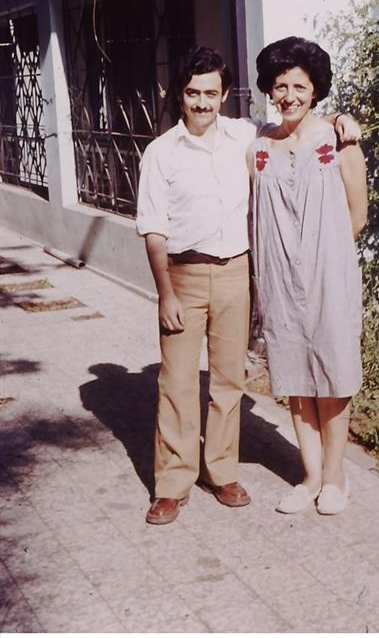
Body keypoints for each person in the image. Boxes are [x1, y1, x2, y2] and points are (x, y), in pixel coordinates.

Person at [136, 45, 361, 525]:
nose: (202, 102)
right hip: (185, 274)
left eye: (210, 93)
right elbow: (153, 229)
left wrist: (342, 118)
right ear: (180, 95)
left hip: (238, 272)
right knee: (177, 382)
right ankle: (172, 485)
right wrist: (165, 292)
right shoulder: (163, 152)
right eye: (193, 93)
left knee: (228, 381)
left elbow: (300, 125)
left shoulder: (244, 134)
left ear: (223, 96)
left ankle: (222, 473)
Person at [248, 36, 367, 516]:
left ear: (315, 89)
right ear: (269, 90)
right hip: (279, 280)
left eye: (299, 86)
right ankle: (310, 475)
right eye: (280, 86)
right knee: (297, 377)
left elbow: (357, 216)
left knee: (333, 376)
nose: (289, 96)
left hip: (328, 278)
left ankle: (336, 478)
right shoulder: (259, 146)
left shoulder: (340, 141)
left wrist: (323, 257)